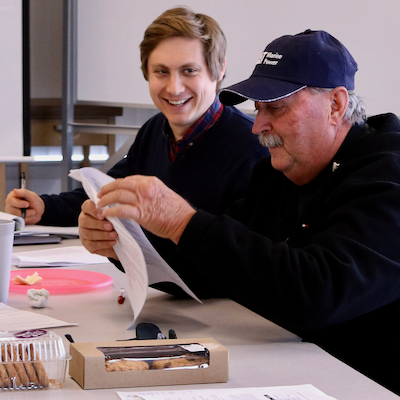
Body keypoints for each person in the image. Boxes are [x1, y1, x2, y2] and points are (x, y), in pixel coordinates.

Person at [85, 30, 400, 394]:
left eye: (276, 108)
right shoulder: (279, 172)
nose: (257, 126)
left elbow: (317, 294)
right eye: (258, 109)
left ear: (335, 105)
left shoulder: (387, 178)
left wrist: (181, 221)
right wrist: (124, 243)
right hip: (289, 366)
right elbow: (214, 271)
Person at [5, 7, 269, 298]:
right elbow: (110, 191)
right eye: (161, 72)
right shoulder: (155, 130)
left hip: (228, 314)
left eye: (189, 71)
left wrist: (119, 250)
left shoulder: (255, 148)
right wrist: (44, 207)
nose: (174, 87)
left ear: (218, 70)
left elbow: (232, 265)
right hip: (169, 306)